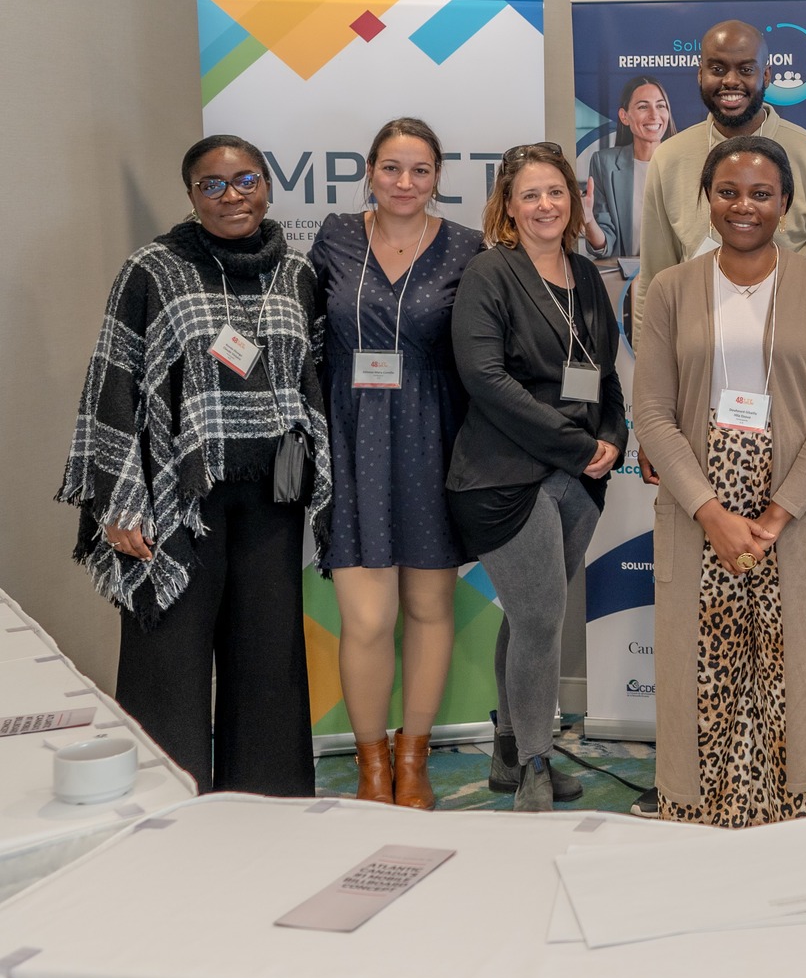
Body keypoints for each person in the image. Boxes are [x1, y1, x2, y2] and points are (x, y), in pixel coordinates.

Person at [59, 135, 330, 793]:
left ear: (267, 186)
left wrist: (325, 478)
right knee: (168, 662)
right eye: (212, 184)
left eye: (246, 180)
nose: (231, 195)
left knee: (268, 661)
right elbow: (112, 382)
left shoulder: (297, 274)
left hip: (272, 496)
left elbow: (313, 381)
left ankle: (268, 805)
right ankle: (166, 803)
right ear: (191, 194)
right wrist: (118, 500)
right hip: (177, 498)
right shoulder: (153, 269)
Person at [634, 135, 806, 827]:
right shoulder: (671, 290)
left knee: (803, 678)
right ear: (706, 200)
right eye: (728, 192)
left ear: (785, 204)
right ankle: (704, 824)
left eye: (761, 193)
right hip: (698, 505)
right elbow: (652, 412)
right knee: (704, 675)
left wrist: (774, 516)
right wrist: (712, 513)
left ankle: (802, 828)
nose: (744, 206)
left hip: (798, 507)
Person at [309, 118, 484, 810]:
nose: (405, 183)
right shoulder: (334, 237)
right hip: (351, 437)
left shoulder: (466, 246)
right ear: (370, 172)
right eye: (391, 168)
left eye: (419, 170)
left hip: (433, 436)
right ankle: (371, 763)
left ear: (438, 176)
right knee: (367, 620)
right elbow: (303, 331)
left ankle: (412, 761)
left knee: (429, 608)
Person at [447, 143, 625, 811]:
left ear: (574, 201)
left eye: (556, 192)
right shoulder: (490, 273)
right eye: (530, 194)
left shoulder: (585, 276)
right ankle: (534, 768)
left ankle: (507, 750)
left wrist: (613, 438)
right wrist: (577, 445)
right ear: (508, 205)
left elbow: (605, 375)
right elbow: (486, 380)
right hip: (503, 475)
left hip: (579, 476)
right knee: (542, 618)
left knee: (531, 618)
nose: (546, 205)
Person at [636, 22, 806, 324]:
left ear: (766, 75)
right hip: (697, 340)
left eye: (746, 70)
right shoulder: (668, 159)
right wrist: (647, 353)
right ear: (700, 74)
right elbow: (654, 280)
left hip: (789, 341)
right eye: (717, 69)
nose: (730, 81)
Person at [582, 74, 673, 259]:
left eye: (660, 106)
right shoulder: (604, 163)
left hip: (676, 271)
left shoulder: (684, 162)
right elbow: (605, 244)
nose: (654, 115)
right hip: (627, 274)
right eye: (643, 107)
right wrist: (589, 221)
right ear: (624, 116)